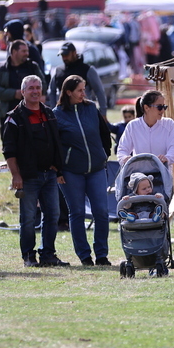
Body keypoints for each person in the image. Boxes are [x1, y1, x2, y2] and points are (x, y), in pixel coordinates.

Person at [2, 75, 70, 268]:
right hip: (28, 177)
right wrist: (16, 175)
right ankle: (29, 256)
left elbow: (56, 142)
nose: (35, 91)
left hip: (49, 174)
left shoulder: (48, 113)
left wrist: (58, 169)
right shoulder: (14, 118)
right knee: (29, 218)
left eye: (37, 88)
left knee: (53, 216)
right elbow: (9, 151)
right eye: (30, 88)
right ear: (22, 92)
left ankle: (48, 255)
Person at [53, 75, 113, 267]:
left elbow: (104, 134)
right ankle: (84, 256)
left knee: (102, 212)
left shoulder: (91, 109)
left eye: (84, 89)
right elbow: (54, 145)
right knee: (77, 212)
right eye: (79, 90)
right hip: (71, 172)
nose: (83, 93)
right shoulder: (57, 114)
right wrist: (59, 171)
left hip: (96, 168)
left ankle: (102, 255)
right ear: (68, 92)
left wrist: (104, 154)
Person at [117, 90, 174, 169]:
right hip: (138, 174)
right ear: (146, 107)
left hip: (162, 173)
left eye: (164, 107)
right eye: (159, 107)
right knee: (143, 181)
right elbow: (122, 149)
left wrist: (167, 158)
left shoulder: (169, 124)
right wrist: (124, 159)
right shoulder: (132, 126)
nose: (163, 110)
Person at [0, 39, 44, 126]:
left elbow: (43, 84)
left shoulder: (32, 67)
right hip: (6, 113)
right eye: (23, 51)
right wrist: (14, 94)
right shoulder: (0, 68)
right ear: (14, 51)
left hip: (30, 114)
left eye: (27, 51)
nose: (27, 54)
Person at [50, 42, 107, 113]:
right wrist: (53, 110)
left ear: (74, 53)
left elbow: (99, 91)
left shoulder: (87, 70)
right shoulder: (58, 71)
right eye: (62, 55)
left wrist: (103, 112)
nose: (64, 58)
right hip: (63, 112)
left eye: (66, 55)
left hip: (84, 112)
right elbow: (52, 91)